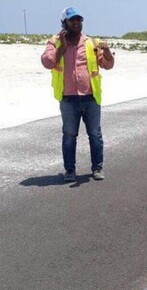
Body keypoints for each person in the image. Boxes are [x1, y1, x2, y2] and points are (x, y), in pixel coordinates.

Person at [41, 6, 114, 182]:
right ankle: (70, 171)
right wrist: (62, 48)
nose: (76, 23)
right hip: (68, 99)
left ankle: (97, 168)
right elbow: (47, 63)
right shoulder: (54, 42)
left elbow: (108, 64)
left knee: (95, 134)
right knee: (69, 136)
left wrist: (108, 52)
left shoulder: (91, 42)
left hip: (90, 97)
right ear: (64, 22)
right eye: (72, 20)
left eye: (78, 20)